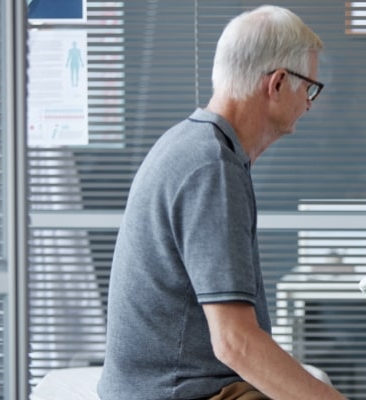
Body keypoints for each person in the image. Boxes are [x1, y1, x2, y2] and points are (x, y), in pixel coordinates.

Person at [98, 6, 345, 400]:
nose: (310, 103)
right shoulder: (211, 167)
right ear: (278, 83)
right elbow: (234, 342)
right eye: (309, 88)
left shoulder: (191, 143)